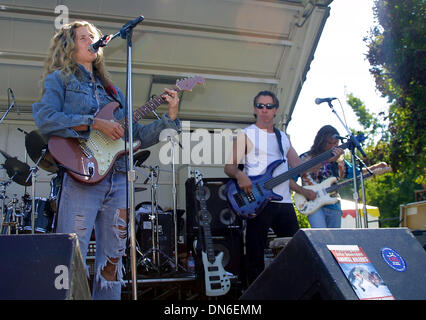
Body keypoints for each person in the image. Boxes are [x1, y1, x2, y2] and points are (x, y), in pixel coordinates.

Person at [32, 21, 181, 300]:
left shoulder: (115, 92)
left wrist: (170, 118)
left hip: (120, 176)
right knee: (69, 255)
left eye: (93, 36)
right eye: (83, 37)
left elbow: (137, 138)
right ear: (69, 46)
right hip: (81, 176)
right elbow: (46, 118)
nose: (91, 40)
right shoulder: (60, 80)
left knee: (113, 261)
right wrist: (94, 123)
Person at [224, 90, 317, 285]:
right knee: (255, 255)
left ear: (275, 111)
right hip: (258, 200)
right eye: (260, 106)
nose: (264, 110)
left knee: (296, 250)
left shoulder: (283, 137)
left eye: (268, 106)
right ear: (254, 109)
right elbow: (229, 166)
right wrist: (240, 175)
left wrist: (328, 157)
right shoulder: (246, 135)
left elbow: (299, 165)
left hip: (283, 200)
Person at [299, 125, 385, 228]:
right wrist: (303, 192)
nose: (333, 146)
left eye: (335, 143)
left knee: (333, 242)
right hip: (312, 204)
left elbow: (356, 172)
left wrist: (375, 167)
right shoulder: (305, 158)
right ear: (320, 142)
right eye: (329, 143)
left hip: (334, 205)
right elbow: (292, 178)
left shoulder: (340, 161)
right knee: (320, 236)